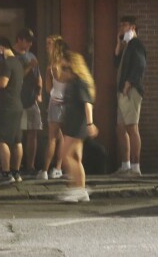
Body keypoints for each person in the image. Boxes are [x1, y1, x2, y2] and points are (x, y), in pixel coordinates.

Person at [56, 50, 98, 203]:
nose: (63, 72)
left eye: (65, 68)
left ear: (73, 67)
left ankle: (78, 189)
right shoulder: (73, 82)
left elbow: (87, 104)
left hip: (77, 125)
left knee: (65, 156)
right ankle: (79, 190)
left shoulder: (78, 82)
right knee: (76, 158)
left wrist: (90, 123)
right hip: (74, 124)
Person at [0, 37, 25, 185]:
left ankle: (6, 173)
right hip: (17, 105)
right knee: (17, 140)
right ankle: (16, 172)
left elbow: (3, 83)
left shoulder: (8, 63)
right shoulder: (18, 63)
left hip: (7, 106)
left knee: (2, 139)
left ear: (1, 48)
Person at [114, 15, 147, 177]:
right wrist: (118, 45)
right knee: (121, 127)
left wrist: (128, 84)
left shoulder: (136, 45)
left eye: (125, 25)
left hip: (130, 90)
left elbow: (140, 65)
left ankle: (135, 168)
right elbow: (116, 63)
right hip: (122, 90)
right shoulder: (127, 46)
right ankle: (125, 165)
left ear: (133, 27)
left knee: (132, 127)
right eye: (121, 25)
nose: (122, 28)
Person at [14, 28, 43, 177]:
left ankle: (30, 166)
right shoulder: (12, 56)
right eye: (28, 41)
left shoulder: (31, 55)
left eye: (32, 41)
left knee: (33, 132)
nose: (30, 44)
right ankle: (16, 167)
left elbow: (39, 76)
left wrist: (39, 92)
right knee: (17, 134)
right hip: (18, 100)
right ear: (19, 40)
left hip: (32, 100)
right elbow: (17, 77)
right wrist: (29, 66)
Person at [38, 34, 67, 180]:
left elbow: (49, 89)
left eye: (49, 43)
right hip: (66, 103)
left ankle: (45, 170)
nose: (47, 46)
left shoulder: (51, 66)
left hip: (55, 102)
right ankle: (58, 168)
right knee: (61, 137)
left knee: (52, 138)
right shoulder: (67, 63)